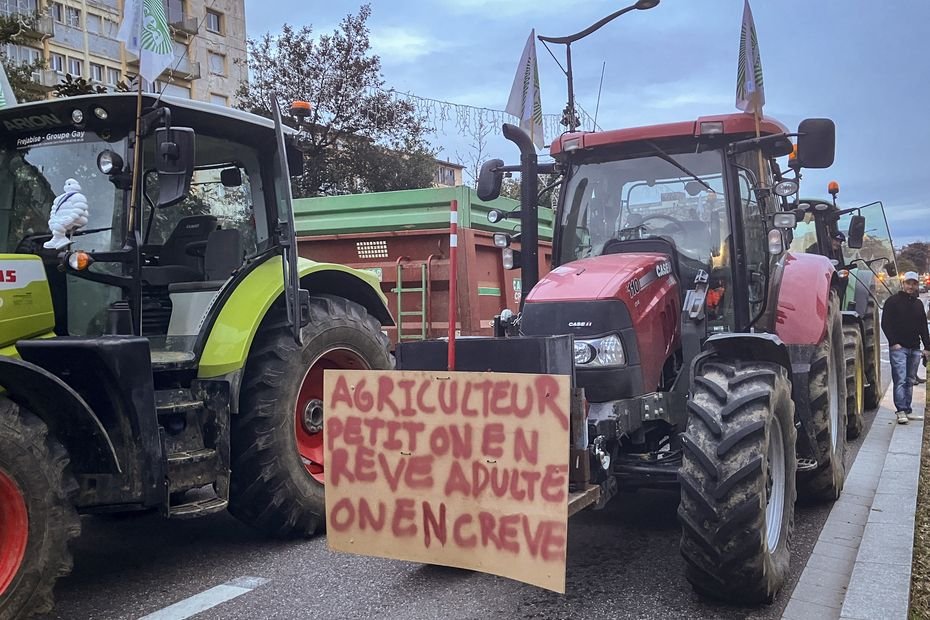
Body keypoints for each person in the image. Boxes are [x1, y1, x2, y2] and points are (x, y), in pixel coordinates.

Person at [880, 271, 930, 423]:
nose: (911, 286)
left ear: (916, 285)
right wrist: (893, 342)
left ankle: (907, 409)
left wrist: (927, 347)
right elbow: (885, 324)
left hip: (914, 347)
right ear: (903, 284)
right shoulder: (892, 301)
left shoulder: (918, 304)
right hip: (899, 348)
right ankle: (900, 410)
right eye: (908, 283)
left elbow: (923, 326)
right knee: (900, 379)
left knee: (910, 380)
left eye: (914, 283)